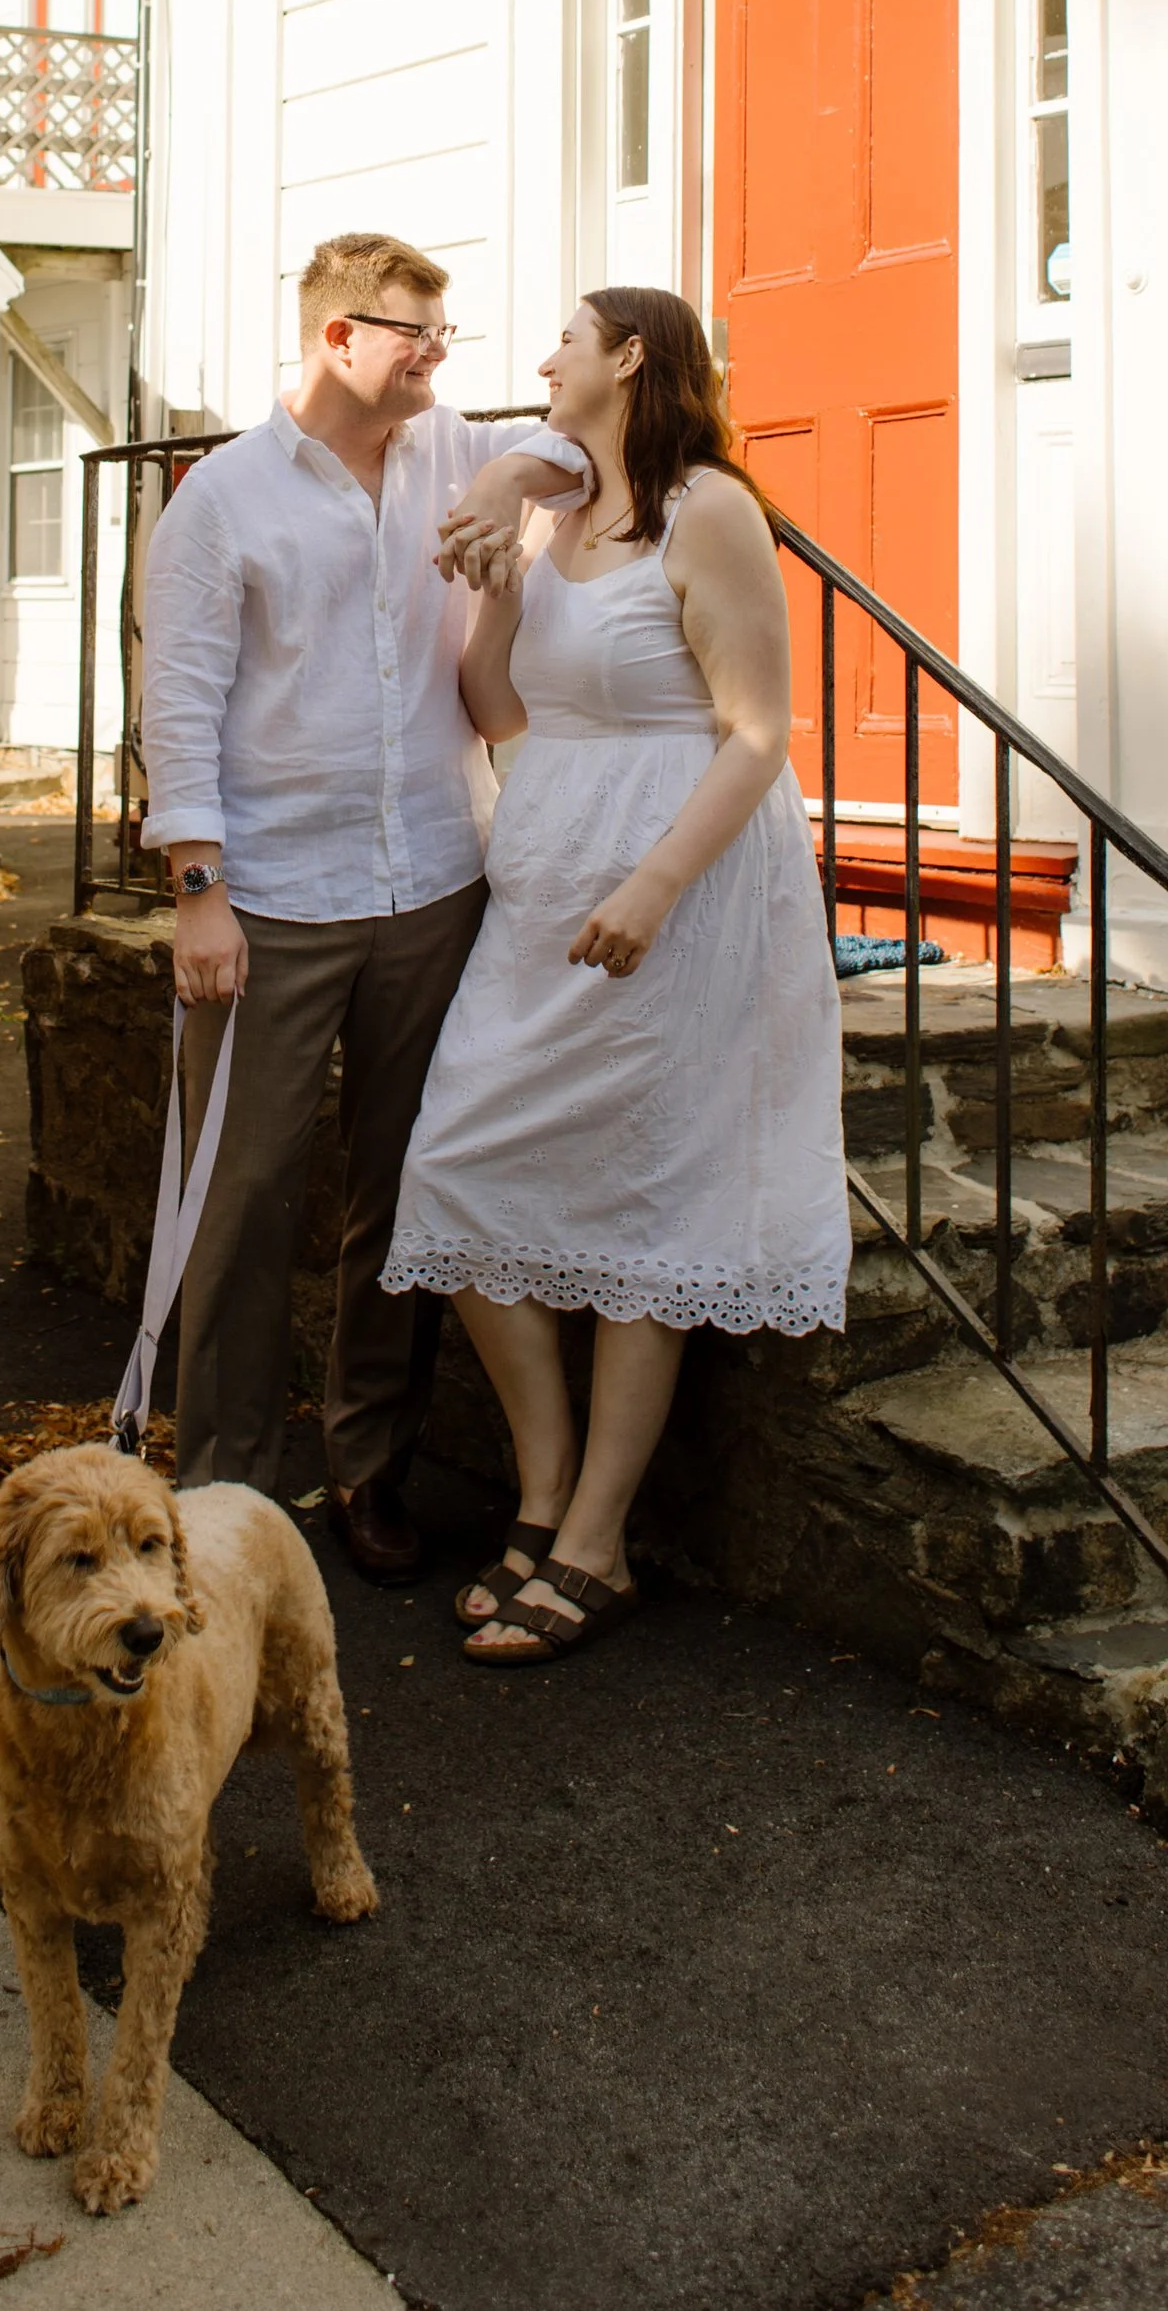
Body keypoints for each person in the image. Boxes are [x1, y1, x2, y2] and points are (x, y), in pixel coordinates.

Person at [385, 286, 849, 1661]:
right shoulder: (557, 511)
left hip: (683, 886)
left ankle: (594, 1541)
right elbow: (502, 708)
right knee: (453, 1162)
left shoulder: (710, 508)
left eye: (566, 339)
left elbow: (759, 732)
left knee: (657, 1198)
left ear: (632, 354)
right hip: (545, 891)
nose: (542, 360)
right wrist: (503, 589)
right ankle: (540, 1488)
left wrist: (654, 880)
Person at [139, 230, 593, 1581]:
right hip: (272, 894)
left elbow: (577, 452)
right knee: (248, 1193)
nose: (439, 356)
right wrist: (200, 892)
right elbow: (182, 704)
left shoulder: (454, 452)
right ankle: (222, 1493)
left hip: (437, 882)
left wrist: (512, 467)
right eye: (416, 333)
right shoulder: (221, 499)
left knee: (404, 1193)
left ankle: (368, 1466)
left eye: (443, 336)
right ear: (339, 336)